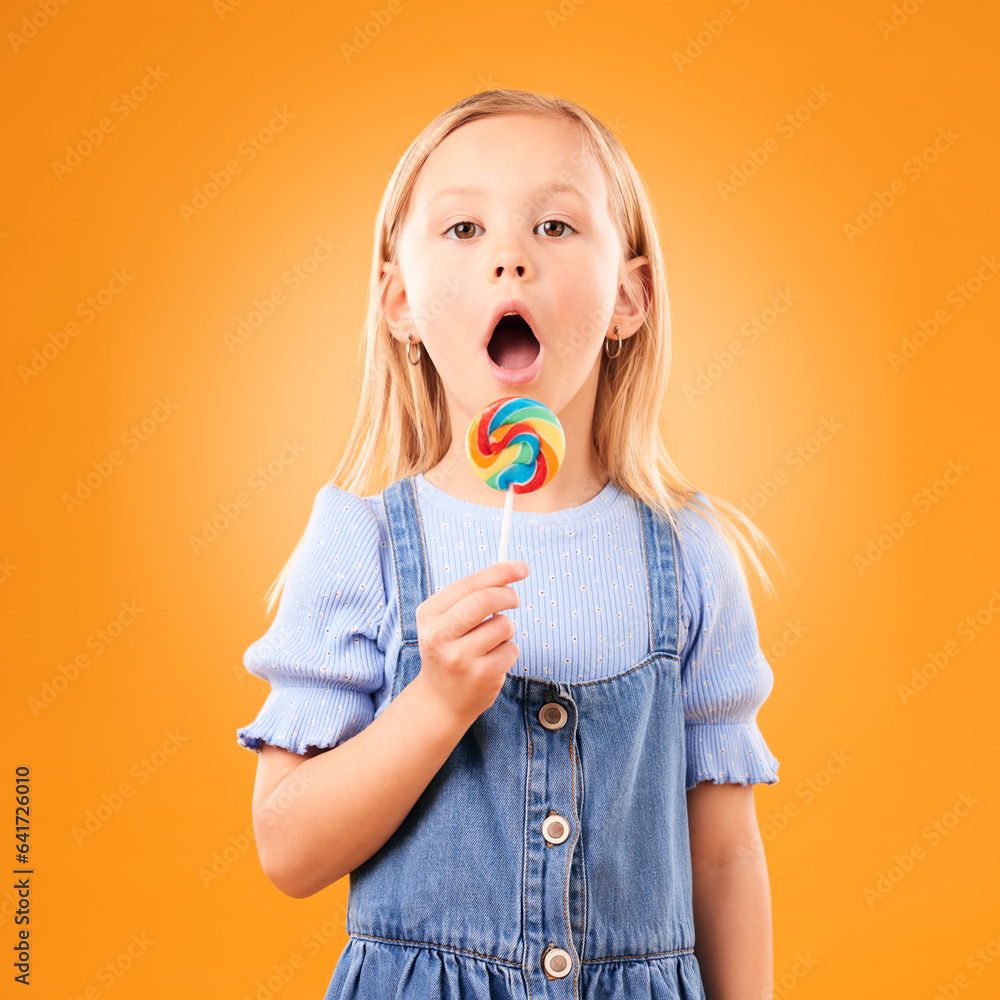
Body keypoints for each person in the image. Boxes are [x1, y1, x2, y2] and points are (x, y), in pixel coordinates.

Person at [236, 88, 787, 1000]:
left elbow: (725, 858)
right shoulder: (363, 546)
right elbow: (288, 850)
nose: (509, 260)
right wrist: (437, 704)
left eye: (556, 227)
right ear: (400, 302)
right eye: (462, 229)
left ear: (631, 297)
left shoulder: (691, 555)